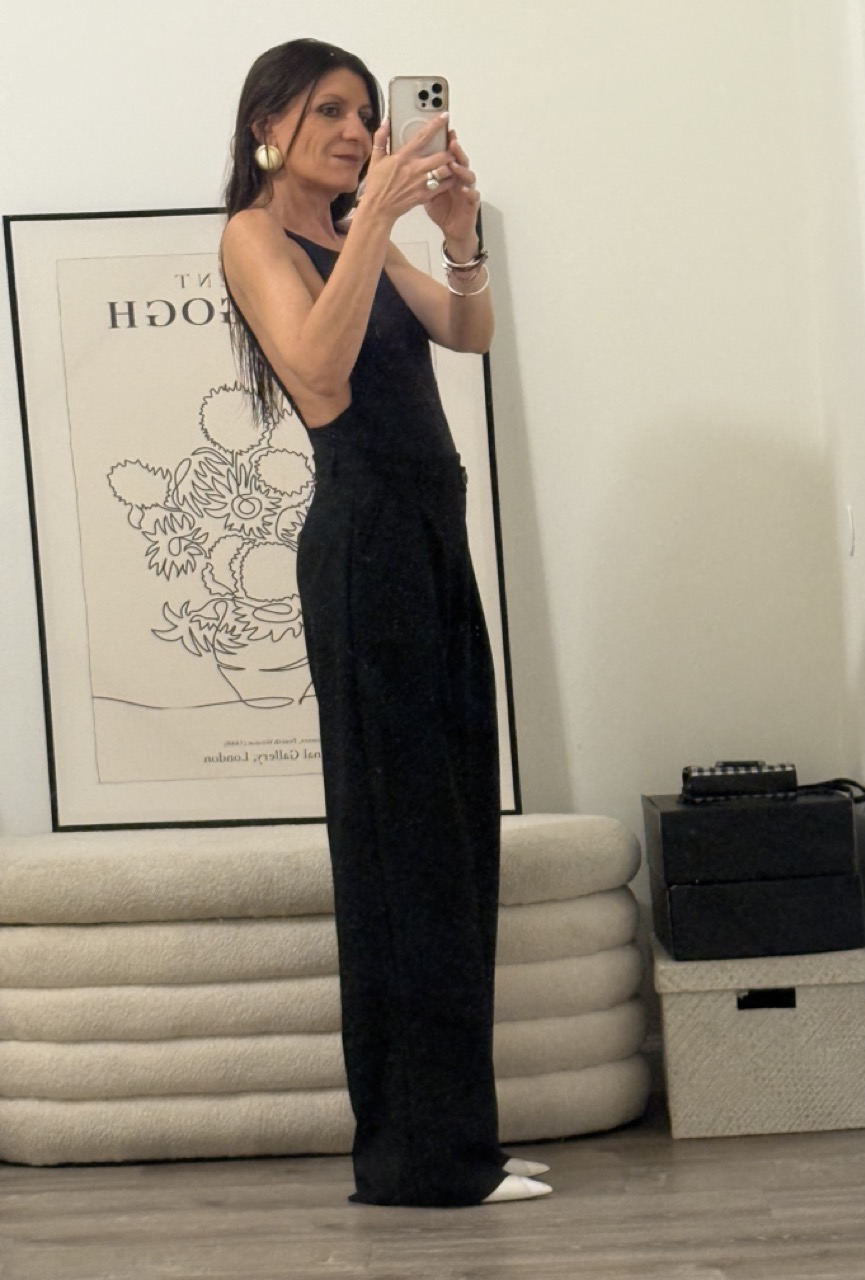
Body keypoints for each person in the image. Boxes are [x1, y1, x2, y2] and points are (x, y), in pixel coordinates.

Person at [220, 38, 552, 1207]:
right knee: (400, 848)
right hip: (365, 546)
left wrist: (456, 235)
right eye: (330, 111)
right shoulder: (257, 237)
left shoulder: (353, 233)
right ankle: (420, 1160)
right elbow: (320, 376)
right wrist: (374, 224)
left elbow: (468, 332)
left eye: (367, 113)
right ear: (269, 125)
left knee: (454, 835)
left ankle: (459, 1136)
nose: (359, 132)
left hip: (430, 537)